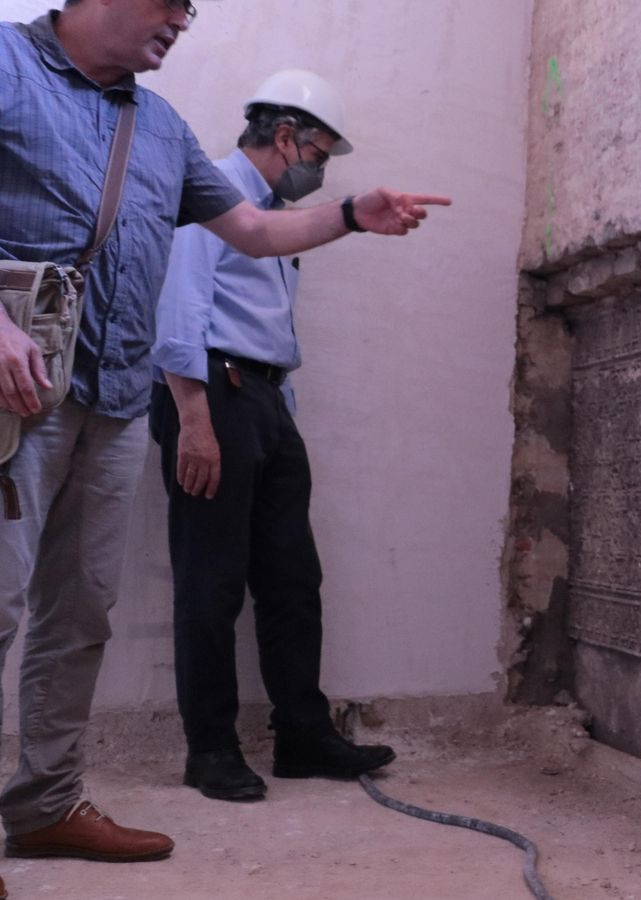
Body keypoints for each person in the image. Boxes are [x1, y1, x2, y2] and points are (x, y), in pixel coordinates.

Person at [0, 0, 448, 877]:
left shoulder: (158, 128)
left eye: (192, 9)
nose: (184, 18)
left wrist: (355, 212)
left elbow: (255, 231)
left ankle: (44, 805)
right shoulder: (7, 68)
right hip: (19, 394)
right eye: (171, 3)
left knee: (79, 612)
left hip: (116, 401)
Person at [151, 69, 396, 803]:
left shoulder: (273, 221)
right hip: (210, 396)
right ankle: (212, 750)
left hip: (262, 398)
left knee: (292, 579)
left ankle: (302, 735)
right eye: (319, 152)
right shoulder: (211, 198)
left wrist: (274, 410)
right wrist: (194, 420)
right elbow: (178, 311)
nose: (320, 170)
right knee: (211, 582)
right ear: (285, 136)